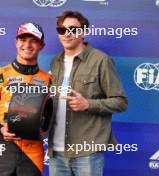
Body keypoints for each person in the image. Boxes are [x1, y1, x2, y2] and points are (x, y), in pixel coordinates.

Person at [48, 10, 128, 176]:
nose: (67, 34)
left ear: (84, 32)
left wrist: (88, 104)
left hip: (87, 151)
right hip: (56, 152)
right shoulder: (55, 62)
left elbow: (121, 102)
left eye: (73, 29)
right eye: (62, 30)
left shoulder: (101, 60)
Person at [0, 22, 51, 176]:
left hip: (32, 154)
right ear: (16, 42)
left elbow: (51, 119)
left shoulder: (49, 79)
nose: (27, 44)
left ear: (42, 46)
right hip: (2, 150)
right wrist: (0, 129)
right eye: (23, 39)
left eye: (33, 40)